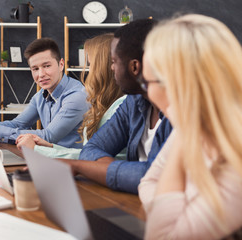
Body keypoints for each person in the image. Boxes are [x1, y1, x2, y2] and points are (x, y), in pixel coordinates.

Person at [138, 14, 242, 239]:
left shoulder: (235, 161)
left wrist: (186, 130)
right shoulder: (197, 128)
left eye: (146, 82)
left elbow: (162, 236)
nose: (147, 92)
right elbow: (147, 182)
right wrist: (178, 208)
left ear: (176, 84)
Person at [54, 19, 173, 195]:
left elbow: (155, 177)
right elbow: (92, 149)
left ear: (134, 67)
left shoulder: (180, 111)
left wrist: (82, 167)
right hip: (133, 198)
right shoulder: (133, 102)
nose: (111, 68)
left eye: (114, 61)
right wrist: (121, 172)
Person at [15, 33, 126, 159]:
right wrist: (50, 147)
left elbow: (96, 159)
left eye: (90, 65)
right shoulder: (106, 104)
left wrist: (38, 150)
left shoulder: (119, 108)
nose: (87, 72)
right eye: (35, 69)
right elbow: (90, 153)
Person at [0, 38, 89, 148]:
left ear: (61, 64)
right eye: (35, 69)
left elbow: (48, 136)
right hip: (48, 158)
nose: (41, 74)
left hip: (74, 166)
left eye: (46, 66)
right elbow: (18, 124)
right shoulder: (41, 95)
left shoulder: (77, 96)